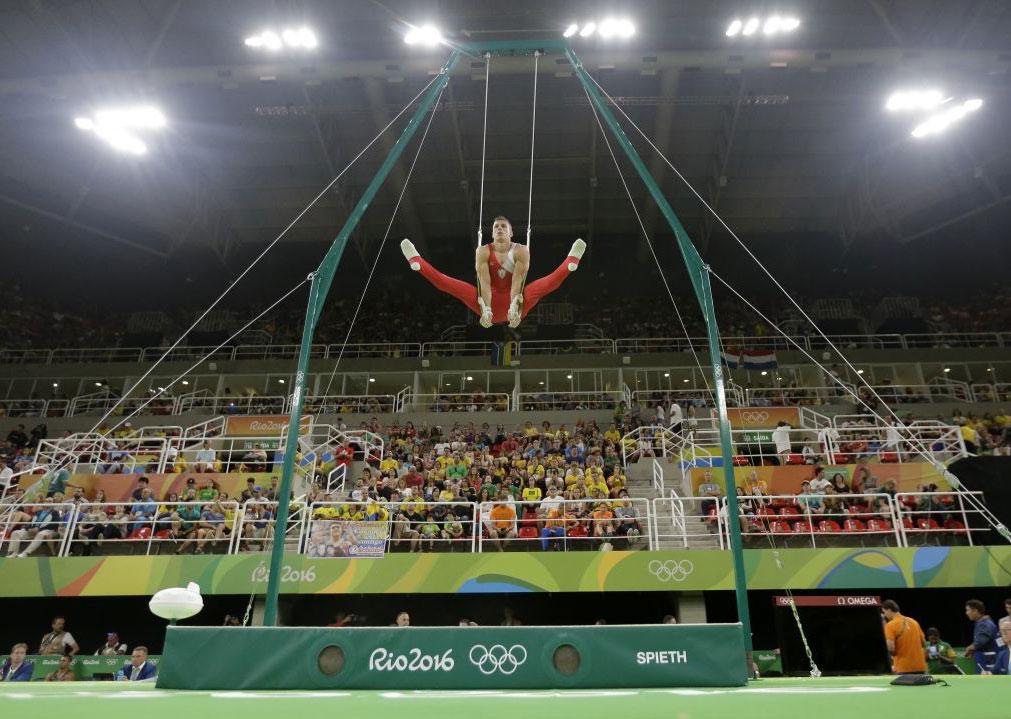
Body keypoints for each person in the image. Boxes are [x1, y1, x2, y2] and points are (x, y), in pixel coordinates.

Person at [401, 216, 586, 328]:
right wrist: (486, 309)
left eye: (504, 226)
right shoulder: (483, 251)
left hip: (516, 304)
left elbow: (518, 281)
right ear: (492, 233)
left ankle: (570, 262)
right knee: (451, 285)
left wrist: (514, 306)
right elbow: (484, 283)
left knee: (540, 287)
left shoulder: (521, 250)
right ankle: (418, 262)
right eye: (496, 226)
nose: (499, 228)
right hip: (487, 303)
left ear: (511, 233)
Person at [881, 599, 927, 674]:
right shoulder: (914, 622)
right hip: (920, 667)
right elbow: (923, 643)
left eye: (884, 612)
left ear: (889, 610)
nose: (885, 615)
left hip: (903, 668)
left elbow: (890, 649)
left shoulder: (890, 625)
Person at [964, 599, 999, 673]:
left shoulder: (984, 624)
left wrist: (969, 648)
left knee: (987, 684)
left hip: (988, 662)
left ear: (975, 611)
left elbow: (980, 641)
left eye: (968, 610)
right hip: (984, 661)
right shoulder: (982, 623)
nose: (966, 613)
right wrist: (973, 651)